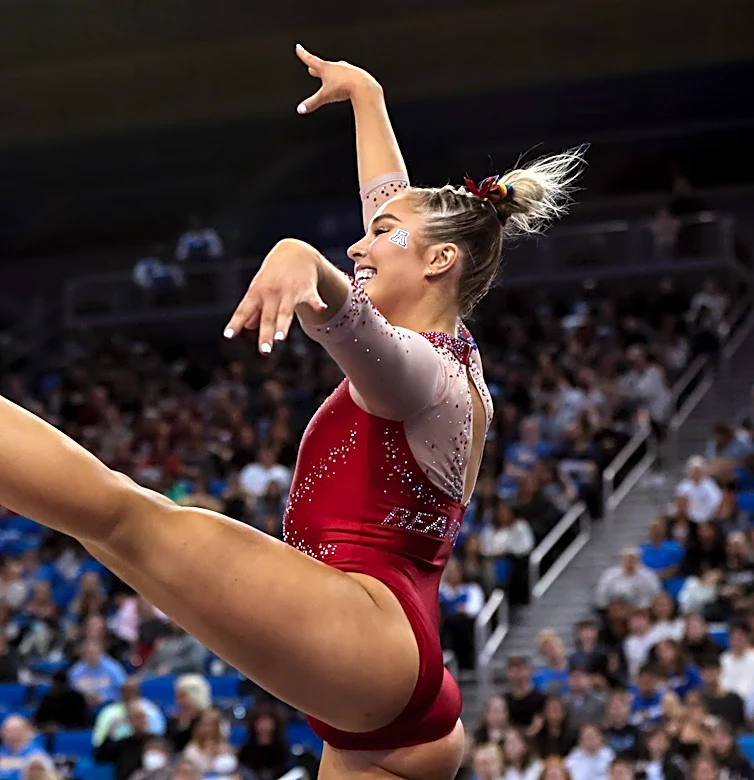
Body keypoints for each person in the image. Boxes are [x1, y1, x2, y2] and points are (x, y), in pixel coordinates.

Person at [0, 47, 582, 780]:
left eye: (380, 234)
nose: (361, 242)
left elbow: (360, 330)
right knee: (107, 531)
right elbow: (392, 206)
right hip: (384, 684)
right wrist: (367, 97)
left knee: (120, 516)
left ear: (439, 263)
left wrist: (306, 260)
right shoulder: (449, 344)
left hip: (373, 639)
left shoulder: (430, 375)